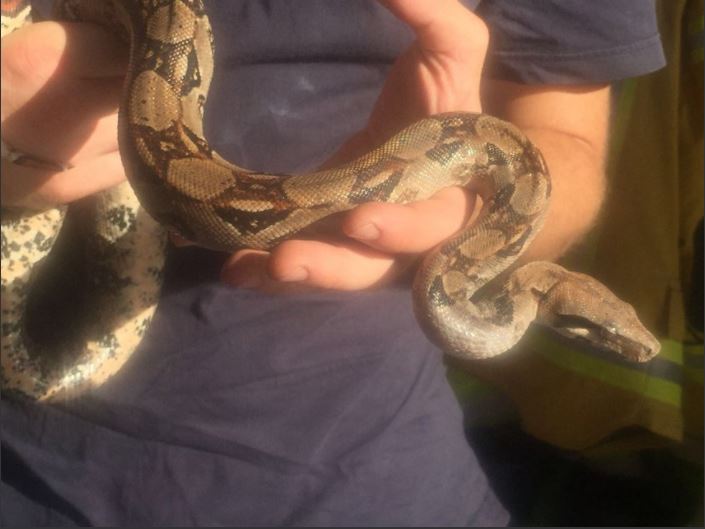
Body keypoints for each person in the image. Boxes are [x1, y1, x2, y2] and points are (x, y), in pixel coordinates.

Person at [1, 0, 665, 525]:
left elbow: (566, 142)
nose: (619, 342)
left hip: (375, 477)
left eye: (602, 329)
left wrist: (448, 221)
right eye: (602, 329)